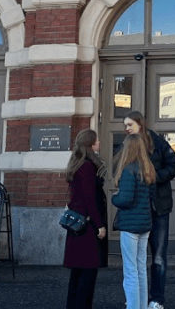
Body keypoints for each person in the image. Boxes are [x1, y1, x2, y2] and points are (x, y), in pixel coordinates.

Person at [123, 111, 175, 309]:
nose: (126, 129)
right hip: (138, 208)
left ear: (140, 124)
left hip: (159, 207)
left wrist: (155, 177)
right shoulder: (128, 145)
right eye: (125, 125)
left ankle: (156, 299)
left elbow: (173, 166)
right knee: (137, 257)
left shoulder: (158, 142)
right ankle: (136, 297)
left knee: (157, 256)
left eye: (129, 124)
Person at [63, 129, 108, 309]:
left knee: (77, 273)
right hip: (87, 226)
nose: (99, 142)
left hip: (77, 226)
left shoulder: (77, 163)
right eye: (97, 140)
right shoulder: (88, 166)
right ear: (91, 144)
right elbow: (90, 199)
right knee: (87, 275)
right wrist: (99, 226)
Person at [112, 133, 156, 309]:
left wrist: (114, 199)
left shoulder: (129, 170)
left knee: (130, 271)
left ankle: (133, 306)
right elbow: (151, 197)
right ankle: (142, 306)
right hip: (144, 223)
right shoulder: (148, 169)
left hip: (130, 225)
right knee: (140, 269)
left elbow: (126, 199)